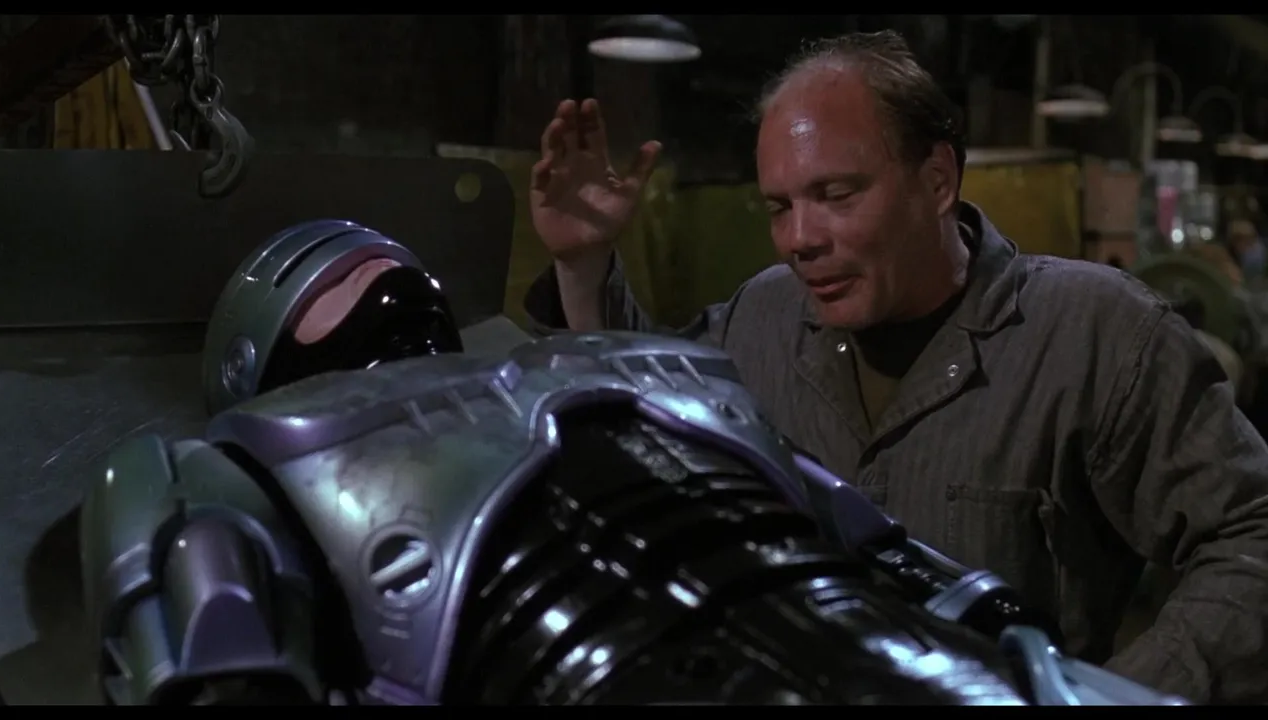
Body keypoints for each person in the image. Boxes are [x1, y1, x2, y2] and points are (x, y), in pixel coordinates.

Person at [522, 30, 1268, 704]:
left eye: (834, 194)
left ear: (937, 181)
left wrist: (1117, 697)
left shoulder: (1094, 334)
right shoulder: (764, 316)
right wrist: (584, 263)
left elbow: (1251, 532)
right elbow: (646, 406)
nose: (799, 238)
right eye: (779, 206)